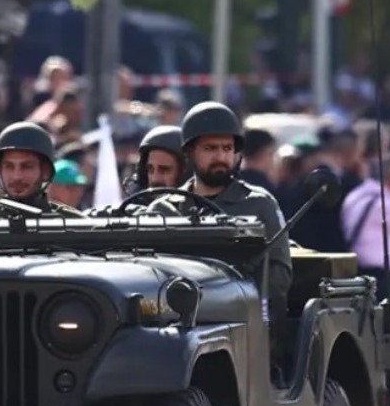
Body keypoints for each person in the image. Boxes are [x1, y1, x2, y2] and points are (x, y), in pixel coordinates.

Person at [146, 102, 293, 385]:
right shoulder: (165, 209)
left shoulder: (258, 203)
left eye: (227, 149)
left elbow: (278, 277)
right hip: (175, 331)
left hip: (245, 329)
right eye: (210, 149)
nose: (221, 157)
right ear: (189, 153)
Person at [0, 122, 84, 219]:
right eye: (9, 166)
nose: (16, 176)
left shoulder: (76, 225)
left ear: (45, 171)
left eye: (27, 166)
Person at [125, 124, 186, 200]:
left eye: (164, 170)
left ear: (184, 173)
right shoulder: (134, 209)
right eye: (150, 169)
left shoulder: (202, 209)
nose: (155, 179)